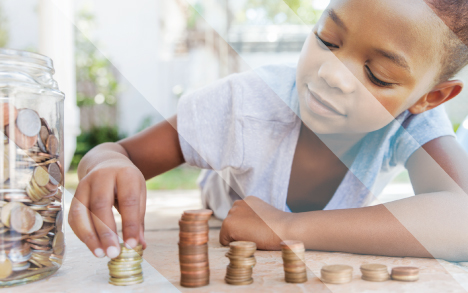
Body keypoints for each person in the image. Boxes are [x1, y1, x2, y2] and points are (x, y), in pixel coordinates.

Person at [69, 0, 468, 262]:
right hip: (223, 204)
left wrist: (287, 228)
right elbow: (117, 154)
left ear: (430, 97)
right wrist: (104, 163)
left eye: (377, 75)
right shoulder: (244, 104)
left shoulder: (412, 120)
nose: (331, 73)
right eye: (328, 40)